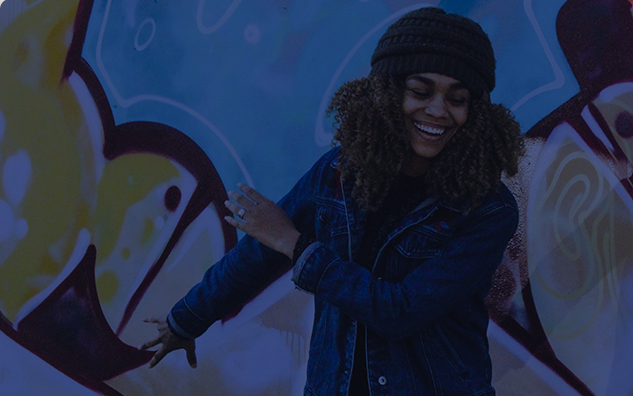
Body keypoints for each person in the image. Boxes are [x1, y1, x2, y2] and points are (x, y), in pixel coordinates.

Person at [142, 6, 524, 396]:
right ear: (389, 92)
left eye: (457, 98)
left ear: (476, 112)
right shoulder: (339, 174)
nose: (438, 110)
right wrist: (185, 320)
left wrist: (294, 243)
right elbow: (258, 254)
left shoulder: (488, 210)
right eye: (420, 91)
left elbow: (399, 310)